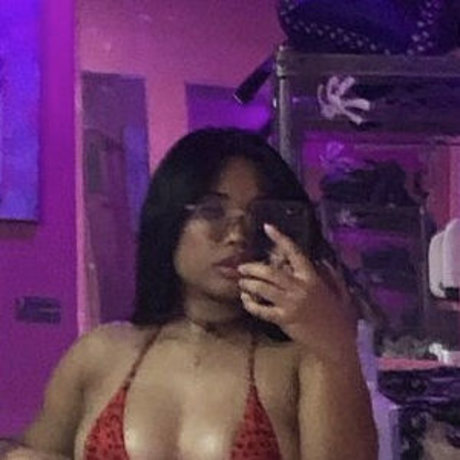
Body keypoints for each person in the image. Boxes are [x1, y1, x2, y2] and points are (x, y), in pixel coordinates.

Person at [1, 128, 378, 459]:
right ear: (170, 220)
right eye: (212, 210)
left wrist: (335, 345)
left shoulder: (301, 362)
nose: (238, 234)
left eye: (258, 215)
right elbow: (27, 450)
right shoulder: (100, 354)